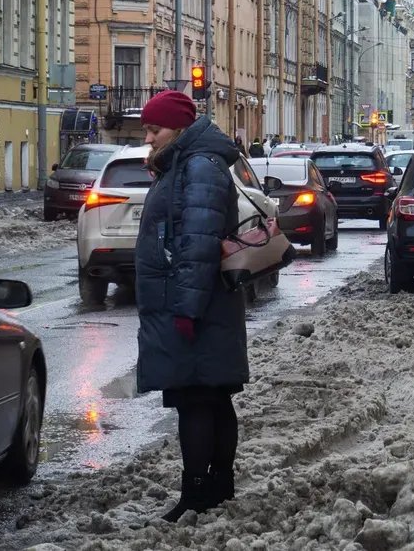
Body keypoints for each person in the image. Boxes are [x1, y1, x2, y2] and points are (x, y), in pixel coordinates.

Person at [134, 90, 249, 522]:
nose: (148, 137)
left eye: (154, 129)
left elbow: (197, 245)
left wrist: (186, 310)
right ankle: (218, 488)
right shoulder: (189, 163)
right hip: (203, 303)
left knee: (197, 401)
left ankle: (198, 494)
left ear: (179, 129)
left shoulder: (198, 167)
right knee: (212, 398)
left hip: (196, 307)